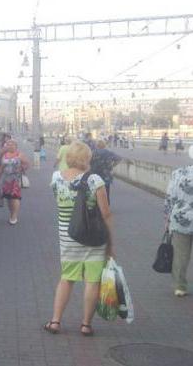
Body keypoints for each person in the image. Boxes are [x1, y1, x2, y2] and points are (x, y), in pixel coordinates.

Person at [44, 141, 115, 336]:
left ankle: (55, 321)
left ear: (68, 157)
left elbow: (59, 203)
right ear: (87, 158)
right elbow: (106, 214)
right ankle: (85, 325)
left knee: (66, 279)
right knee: (92, 281)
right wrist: (111, 244)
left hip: (69, 239)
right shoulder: (95, 180)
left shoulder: (56, 178)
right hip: (93, 239)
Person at [164, 150, 193, 297]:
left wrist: (167, 218)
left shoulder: (178, 173)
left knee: (181, 255)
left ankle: (179, 286)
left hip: (181, 220)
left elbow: (170, 197)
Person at [0, 139, 30, 225]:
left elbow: (27, 164)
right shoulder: (5, 155)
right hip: (6, 180)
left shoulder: (20, 155)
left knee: (15, 197)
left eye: (12, 145)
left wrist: (22, 168)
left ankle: (14, 216)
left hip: (16, 179)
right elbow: (1, 168)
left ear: (16, 146)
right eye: (8, 145)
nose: (10, 146)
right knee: (8, 198)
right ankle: (12, 213)